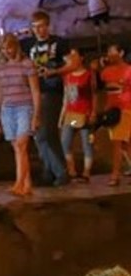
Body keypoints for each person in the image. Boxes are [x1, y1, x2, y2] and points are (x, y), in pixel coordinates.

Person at [21, 11, 70, 187]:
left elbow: (72, 63)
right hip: (33, 91)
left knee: (45, 132)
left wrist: (55, 72)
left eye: (42, 26)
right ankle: (49, 170)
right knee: (40, 134)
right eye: (35, 27)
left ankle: (59, 171)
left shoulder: (59, 43)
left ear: (47, 25)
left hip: (51, 90)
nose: (39, 30)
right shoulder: (27, 44)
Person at [0, 34, 41, 196]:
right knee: (18, 149)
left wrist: (36, 115)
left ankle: (19, 182)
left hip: (24, 107)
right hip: (7, 109)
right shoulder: (0, 67)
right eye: (4, 49)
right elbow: (0, 92)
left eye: (10, 47)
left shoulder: (27, 64)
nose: (7, 51)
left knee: (21, 145)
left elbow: (35, 91)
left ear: (16, 47)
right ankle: (27, 184)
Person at [59, 46, 97, 183]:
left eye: (75, 55)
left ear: (81, 58)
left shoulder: (88, 74)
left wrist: (93, 112)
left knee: (87, 142)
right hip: (71, 114)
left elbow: (93, 94)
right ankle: (72, 170)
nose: (72, 58)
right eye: (71, 55)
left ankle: (86, 172)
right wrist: (61, 116)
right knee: (65, 141)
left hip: (84, 113)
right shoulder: (67, 75)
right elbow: (66, 97)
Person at [99, 42, 131, 186]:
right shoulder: (106, 71)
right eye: (109, 52)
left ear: (121, 53)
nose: (110, 55)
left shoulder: (129, 70)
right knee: (125, 143)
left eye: (113, 52)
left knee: (118, 142)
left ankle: (115, 175)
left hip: (125, 107)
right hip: (112, 108)